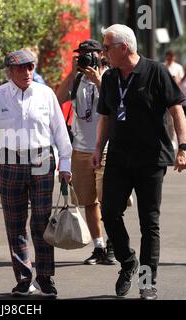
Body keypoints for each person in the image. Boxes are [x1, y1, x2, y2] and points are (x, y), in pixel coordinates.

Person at [92, 24, 186, 300]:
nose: (103, 52)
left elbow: (176, 110)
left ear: (124, 48)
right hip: (119, 157)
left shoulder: (156, 71)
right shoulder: (110, 78)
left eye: (107, 47)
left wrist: (182, 147)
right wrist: (98, 148)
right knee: (110, 212)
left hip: (151, 158)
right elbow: (105, 116)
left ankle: (147, 282)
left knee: (149, 223)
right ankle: (127, 261)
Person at [0, 49, 72, 298]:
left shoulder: (45, 94)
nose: (27, 72)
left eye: (30, 66)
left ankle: (45, 277)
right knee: (15, 223)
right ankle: (23, 278)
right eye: (21, 68)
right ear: (10, 71)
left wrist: (65, 164)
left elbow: (60, 131)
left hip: (42, 160)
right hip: (9, 162)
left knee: (41, 220)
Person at [55, 39, 116, 266]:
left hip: (106, 149)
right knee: (89, 202)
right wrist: (71, 74)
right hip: (80, 149)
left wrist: (99, 81)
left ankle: (113, 244)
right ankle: (99, 247)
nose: (85, 58)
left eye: (89, 54)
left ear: (101, 55)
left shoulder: (110, 77)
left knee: (108, 202)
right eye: (82, 54)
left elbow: (116, 105)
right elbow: (58, 99)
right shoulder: (78, 78)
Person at [163, 50, 185, 148]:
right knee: (165, 118)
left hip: (174, 94)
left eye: (171, 57)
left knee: (173, 118)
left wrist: (176, 80)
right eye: (168, 57)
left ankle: (173, 139)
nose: (170, 59)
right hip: (163, 95)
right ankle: (167, 137)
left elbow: (182, 81)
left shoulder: (178, 67)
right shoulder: (163, 66)